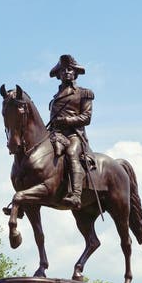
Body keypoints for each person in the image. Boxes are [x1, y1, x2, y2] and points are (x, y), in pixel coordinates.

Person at [48, 54, 94, 209]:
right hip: (56, 134)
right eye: (63, 70)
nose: (66, 72)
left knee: (71, 153)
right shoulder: (55, 97)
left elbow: (86, 117)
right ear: (59, 75)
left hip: (75, 135)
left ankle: (76, 194)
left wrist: (66, 121)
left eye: (70, 69)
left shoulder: (84, 93)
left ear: (75, 72)